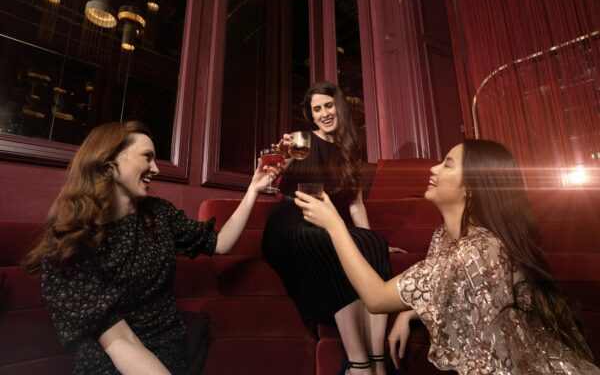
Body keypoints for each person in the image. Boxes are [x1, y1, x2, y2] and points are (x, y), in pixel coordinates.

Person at [296, 139, 600, 374]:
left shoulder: (479, 251)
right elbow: (438, 283)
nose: (433, 169)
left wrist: (334, 225)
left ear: (470, 187)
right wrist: (407, 313)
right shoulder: (445, 236)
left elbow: (376, 298)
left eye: (447, 165)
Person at [24, 120, 280, 375]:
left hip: (169, 346)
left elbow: (220, 243)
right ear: (110, 162)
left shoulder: (159, 214)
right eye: (147, 157)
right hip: (111, 358)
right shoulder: (71, 240)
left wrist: (253, 190)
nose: (156, 169)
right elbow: (121, 341)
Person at [262, 81, 399, 375]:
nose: (323, 113)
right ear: (310, 116)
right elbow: (273, 172)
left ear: (339, 107)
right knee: (333, 244)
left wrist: (378, 240)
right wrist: (280, 156)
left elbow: (355, 206)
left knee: (373, 243)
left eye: (328, 105)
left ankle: (378, 361)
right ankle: (358, 363)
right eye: (316, 109)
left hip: (327, 221)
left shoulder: (350, 151)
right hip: (292, 222)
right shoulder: (301, 140)